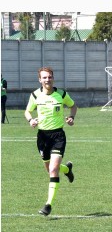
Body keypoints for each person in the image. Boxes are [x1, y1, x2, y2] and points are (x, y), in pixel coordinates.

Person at [24, 67, 77, 217]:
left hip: (58, 136)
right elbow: (28, 111)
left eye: (50, 77)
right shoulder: (35, 95)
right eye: (44, 77)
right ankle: (67, 169)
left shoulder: (61, 94)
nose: (48, 80)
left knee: (53, 170)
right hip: (43, 137)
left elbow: (73, 106)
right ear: (40, 80)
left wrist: (71, 118)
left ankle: (48, 205)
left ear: (53, 78)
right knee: (50, 169)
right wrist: (31, 120)